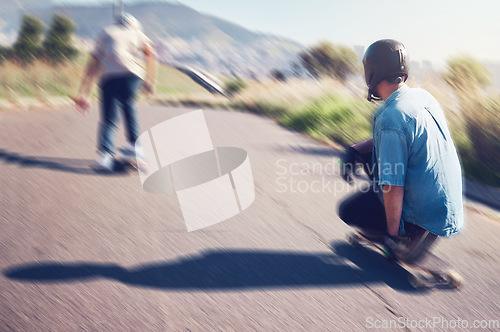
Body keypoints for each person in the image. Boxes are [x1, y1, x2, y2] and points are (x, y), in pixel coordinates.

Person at [338, 39, 463, 262]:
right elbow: (401, 137)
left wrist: (391, 236)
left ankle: (406, 234)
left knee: (349, 210)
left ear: (371, 73)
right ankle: (409, 228)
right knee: (370, 157)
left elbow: (392, 185)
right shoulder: (423, 97)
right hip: (446, 205)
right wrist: (355, 150)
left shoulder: (390, 117)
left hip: (423, 213)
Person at [73, 13, 156, 171]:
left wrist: (83, 93)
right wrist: (150, 80)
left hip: (109, 77)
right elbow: (151, 54)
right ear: (133, 24)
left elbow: (93, 64)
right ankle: (135, 148)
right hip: (132, 77)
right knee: (129, 105)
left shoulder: (105, 33)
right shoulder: (137, 33)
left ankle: (105, 157)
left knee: (109, 119)